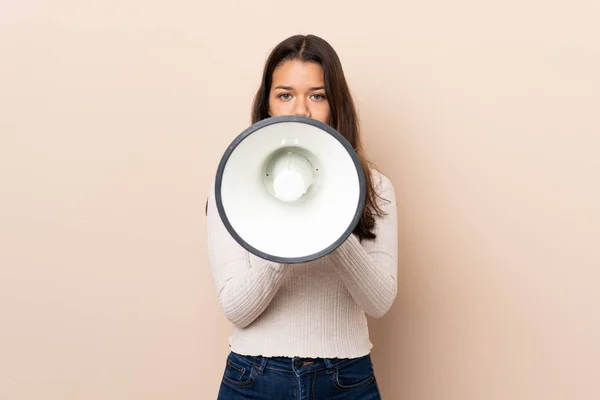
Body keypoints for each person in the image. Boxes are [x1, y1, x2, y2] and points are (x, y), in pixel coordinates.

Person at [206, 34, 398, 400]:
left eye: (317, 95)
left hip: (346, 380)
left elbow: (379, 302)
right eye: (285, 94)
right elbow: (236, 309)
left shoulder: (375, 187)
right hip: (254, 379)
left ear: (334, 104)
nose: (301, 111)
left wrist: (330, 224)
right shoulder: (231, 184)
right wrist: (290, 241)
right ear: (267, 106)